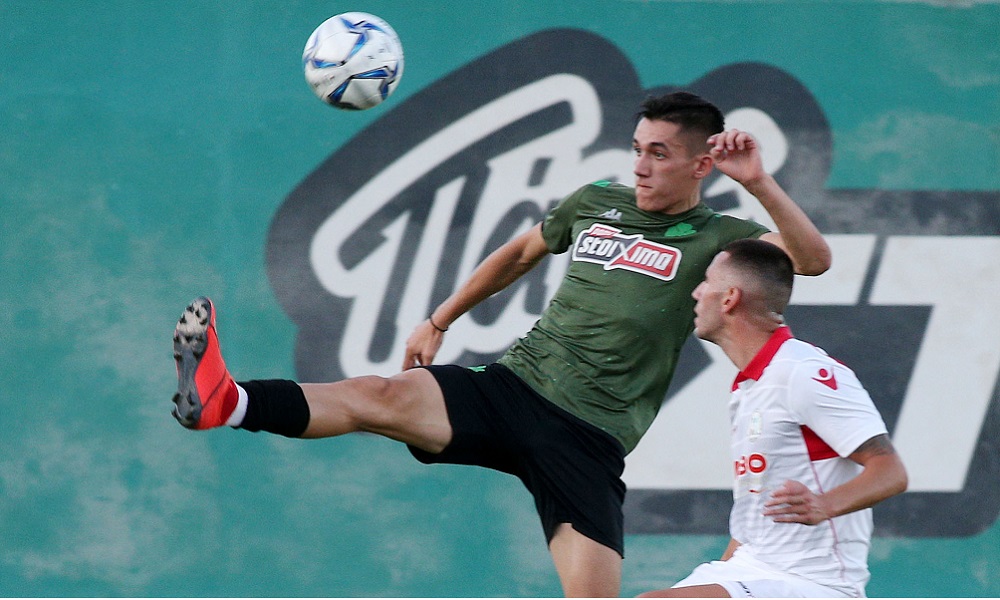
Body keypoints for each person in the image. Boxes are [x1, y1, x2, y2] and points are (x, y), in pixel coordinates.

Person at [170, 92, 831, 597]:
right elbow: (519, 253)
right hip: (514, 388)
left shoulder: (720, 236)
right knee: (378, 393)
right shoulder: (597, 200)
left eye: (659, 154)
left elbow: (812, 260)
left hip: (588, 438)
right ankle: (229, 402)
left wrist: (758, 182)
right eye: (637, 149)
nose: (640, 166)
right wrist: (439, 319)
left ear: (703, 164)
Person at [639, 239, 907, 599]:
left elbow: (890, 471)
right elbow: (754, 520)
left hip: (815, 585)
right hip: (751, 570)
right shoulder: (749, 386)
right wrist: (721, 575)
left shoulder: (803, 372)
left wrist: (824, 505)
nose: (696, 293)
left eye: (706, 281)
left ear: (729, 298)